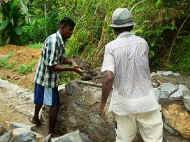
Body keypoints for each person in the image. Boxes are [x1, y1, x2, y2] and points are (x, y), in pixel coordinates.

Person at [99, 8, 163, 142]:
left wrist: (103, 103)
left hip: (124, 105)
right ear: (132, 26)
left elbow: (109, 77)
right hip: (147, 102)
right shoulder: (142, 43)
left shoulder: (111, 47)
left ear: (114, 29)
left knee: (124, 139)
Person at [32, 17, 82, 136]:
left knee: (40, 98)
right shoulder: (54, 41)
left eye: (72, 31)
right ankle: (51, 133)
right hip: (46, 77)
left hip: (45, 76)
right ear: (62, 27)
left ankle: (35, 118)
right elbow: (52, 66)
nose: (71, 33)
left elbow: (60, 58)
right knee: (54, 105)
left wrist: (70, 61)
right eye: (69, 30)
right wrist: (72, 69)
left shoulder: (60, 40)